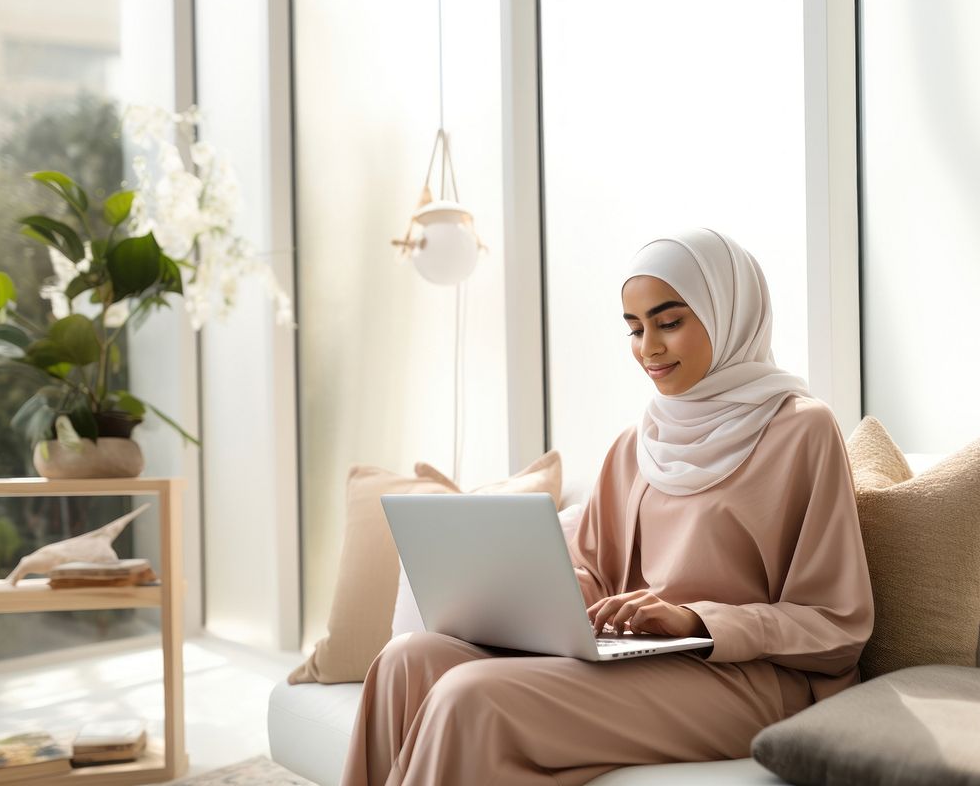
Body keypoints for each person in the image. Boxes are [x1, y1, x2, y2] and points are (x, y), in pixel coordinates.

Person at [340, 228, 873, 786]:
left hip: (748, 678)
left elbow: (838, 626)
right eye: (636, 329)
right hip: (634, 660)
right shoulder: (634, 444)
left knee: (470, 697)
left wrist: (695, 620)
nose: (649, 348)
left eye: (669, 323)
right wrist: (550, 591)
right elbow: (598, 574)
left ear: (728, 314)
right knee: (406, 661)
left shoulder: (801, 430)